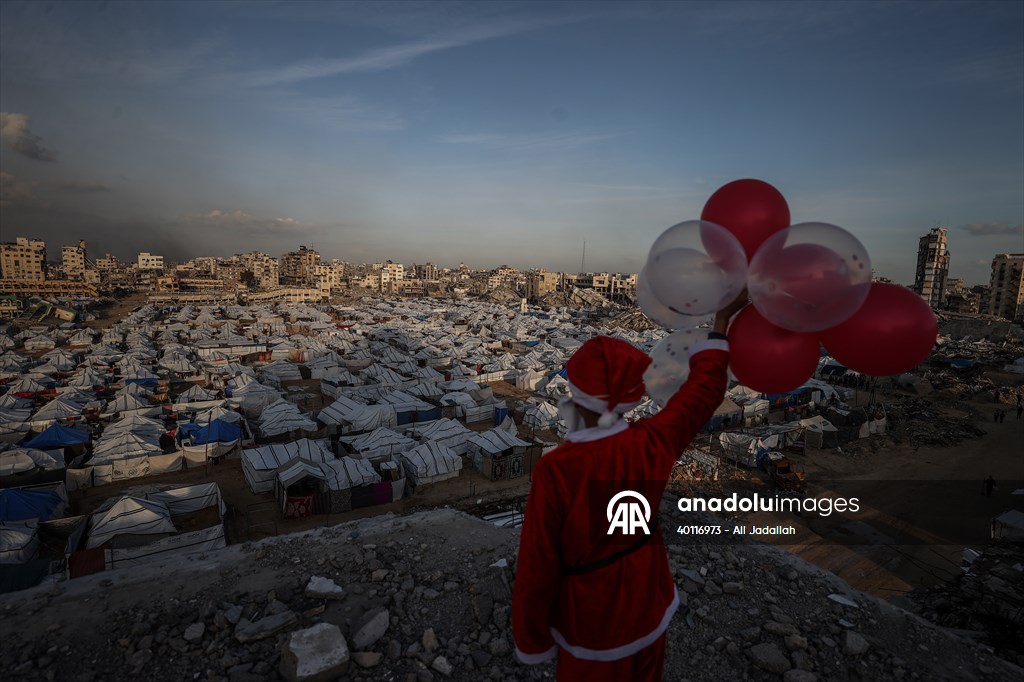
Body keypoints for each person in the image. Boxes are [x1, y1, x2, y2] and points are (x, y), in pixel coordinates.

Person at [512, 291, 748, 681]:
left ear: (574, 389)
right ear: (630, 395)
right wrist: (720, 324)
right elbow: (702, 393)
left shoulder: (558, 469)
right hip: (649, 602)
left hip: (592, 622)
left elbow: (538, 564)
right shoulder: (652, 442)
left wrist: (533, 641)